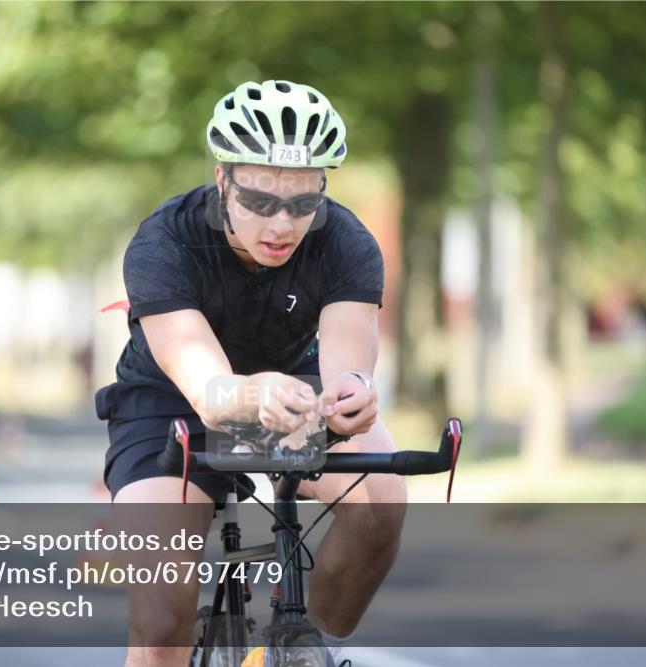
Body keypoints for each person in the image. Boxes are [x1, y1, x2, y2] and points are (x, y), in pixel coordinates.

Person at [95, 79, 405, 667]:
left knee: (381, 502)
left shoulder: (346, 242)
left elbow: (349, 357)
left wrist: (353, 394)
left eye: (302, 203)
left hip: (290, 390)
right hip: (170, 407)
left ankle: (296, 648)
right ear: (223, 180)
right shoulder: (165, 242)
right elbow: (207, 386)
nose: (282, 225)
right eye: (260, 201)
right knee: (161, 624)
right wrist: (248, 392)